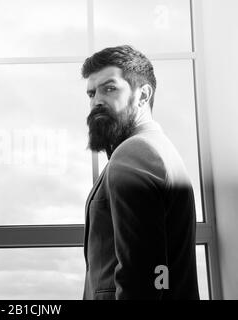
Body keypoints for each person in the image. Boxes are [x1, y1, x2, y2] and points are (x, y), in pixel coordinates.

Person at [81, 45, 200, 300]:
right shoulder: (159, 150)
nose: (96, 101)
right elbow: (160, 270)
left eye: (109, 88)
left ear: (143, 95)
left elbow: (142, 276)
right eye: (91, 93)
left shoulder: (135, 153)